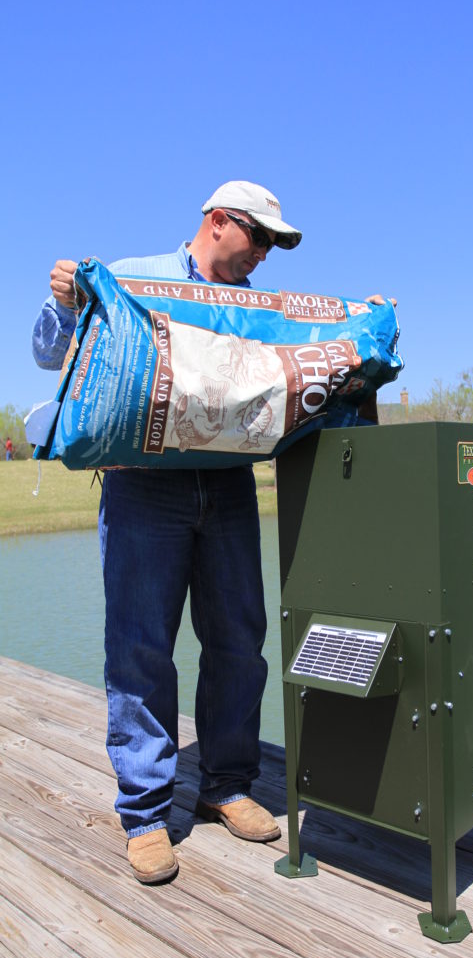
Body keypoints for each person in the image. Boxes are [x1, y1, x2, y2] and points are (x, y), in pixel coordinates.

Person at [33, 180, 391, 885]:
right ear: (218, 222)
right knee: (140, 650)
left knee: (238, 642)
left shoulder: (259, 307)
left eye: (273, 246)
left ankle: (225, 784)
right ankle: (144, 813)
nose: (263, 255)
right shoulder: (137, 281)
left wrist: (362, 327)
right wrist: (64, 302)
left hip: (227, 487)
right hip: (142, 488)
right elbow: (51, 356)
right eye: (257, 237)